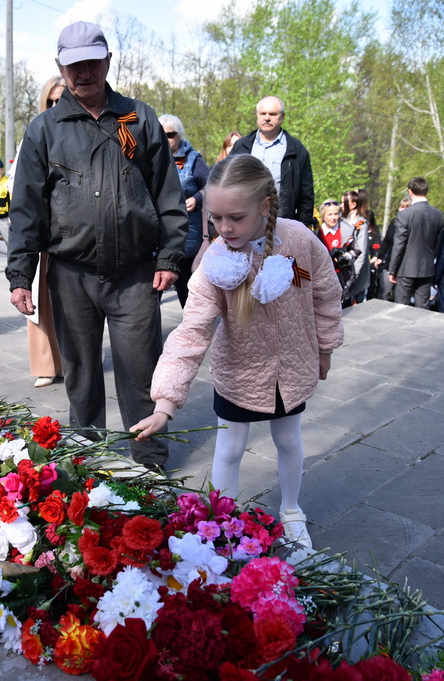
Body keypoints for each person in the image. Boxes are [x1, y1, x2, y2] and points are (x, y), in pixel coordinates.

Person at [131, 155, 344, 550]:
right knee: (229, 447)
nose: (224, 228)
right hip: (239, 373)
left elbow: (325, 293)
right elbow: (191, 332)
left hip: (291, 368)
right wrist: (164, 403)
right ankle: (222, 521)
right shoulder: (215, 264)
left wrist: (325, 346)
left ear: (265, 206)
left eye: (236, 218)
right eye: (216, 218)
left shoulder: (299, 240)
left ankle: (292, 510)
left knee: (289, 440)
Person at [6, 21, 188, 469]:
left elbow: (168, 194)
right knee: (81, 374)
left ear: (107, 61)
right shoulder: (44, 129)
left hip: (135, 274)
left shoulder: (139, 118)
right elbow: (27, 209)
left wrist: (170, 256)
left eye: (92, 62)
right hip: (71, 275)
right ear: (60, 67)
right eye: (74, 65)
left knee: (141, 373)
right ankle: (86, 463)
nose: (83, 72)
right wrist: (20, 274)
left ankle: (149, 463)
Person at [10, 77, 65, 388]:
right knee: (39, 301)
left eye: (62, 99)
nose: (56, 106)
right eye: (51, 101)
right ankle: (46, 363)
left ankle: (73, 360)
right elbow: (20, 188)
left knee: (76, 303)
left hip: (74, 232)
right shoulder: (34, 134)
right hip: (41, 231)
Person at [230, 96, 315, 227]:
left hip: (282, 224)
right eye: (263, 113)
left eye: (273, 114)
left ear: (282, 116)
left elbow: (306, 196)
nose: (267, 118)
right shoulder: (241, 146)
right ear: (257, 115)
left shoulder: (296, 150)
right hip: (243, 223)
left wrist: (300, 227)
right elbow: (227, 184)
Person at [159, 114, 210, 307]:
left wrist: (197, 198)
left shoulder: (193, 159)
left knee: (187, 294)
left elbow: (213, 186)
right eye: (161, 134)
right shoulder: (149, 158)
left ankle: (194, 326)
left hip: (186, 237)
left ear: (179, 135)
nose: (166, 139)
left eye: (170, 134)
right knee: (150, 298)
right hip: (156, 237)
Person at [388, 177, 444, 308]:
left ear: (410, 191)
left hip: (406, 267)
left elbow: (399, 243)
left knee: (401, 307)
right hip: (427, 267)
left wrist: (392, 269)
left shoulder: (405, 214)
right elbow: (439, 243)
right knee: (422, 308)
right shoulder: (438, 214)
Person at [340, 189, 372, 304]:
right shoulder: (340, 220)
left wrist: (353, 275)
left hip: (355, 274)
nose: (341, 206)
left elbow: (361, 252)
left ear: (353, 204)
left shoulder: (361, 224)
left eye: (344, 202)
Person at [376, 196, 410, 301]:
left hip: (404, 265)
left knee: (399, 295)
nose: (403, 209)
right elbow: (386, 241)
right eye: (401, 207)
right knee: (384, 290)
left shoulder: (412, 226)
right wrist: (380, 257)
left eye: (406, 207)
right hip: (389, 262)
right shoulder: (394, 222)